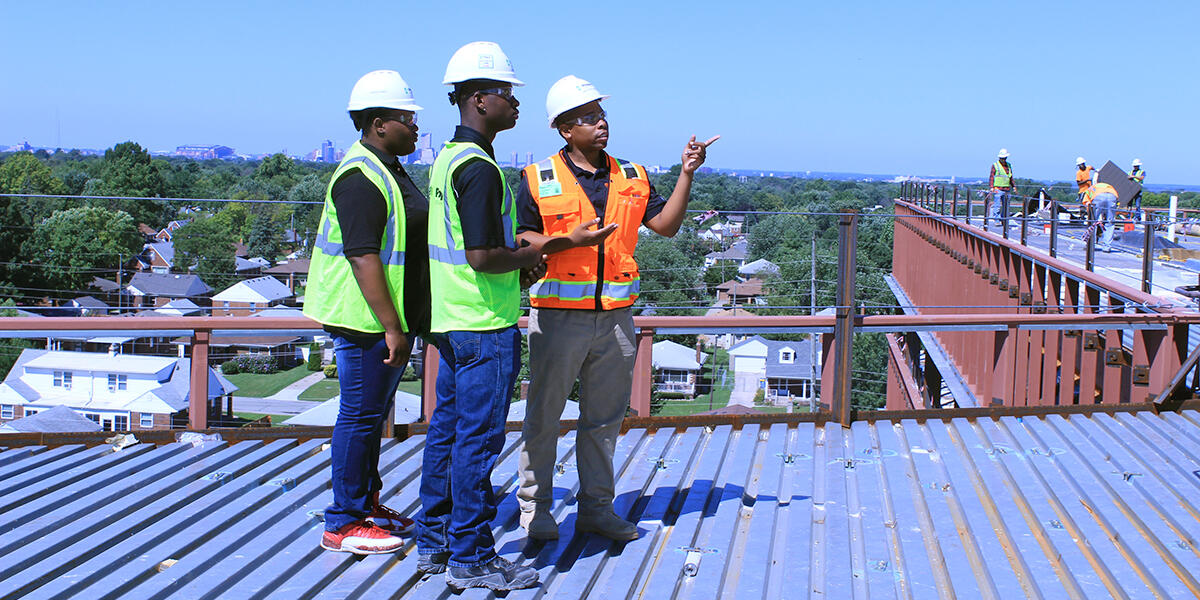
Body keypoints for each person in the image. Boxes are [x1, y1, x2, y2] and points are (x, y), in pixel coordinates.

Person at [513, 75, 717, 542]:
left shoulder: (633, 175)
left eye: (601, 114)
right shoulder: (536, 178)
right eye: (587, 117)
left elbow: (664, 226)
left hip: (617, 318)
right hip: (558, 319)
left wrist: (687, 172)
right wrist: (568, 240)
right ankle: (535, 509)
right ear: (564, 129)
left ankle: (596, 510)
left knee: (604, 421)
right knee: (543, 416)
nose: (600, 123)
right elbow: (523, 239)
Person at [415, 41, 543, 592]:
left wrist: (512, 255)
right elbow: (483, 256)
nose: (514, 103)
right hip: (483, 325)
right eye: (506, 93)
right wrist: (536, 254)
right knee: (478, 440)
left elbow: (472, 245)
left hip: (451, 320)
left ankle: (435, 541)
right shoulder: (482, 169)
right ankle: (472, 555)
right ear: (477, 99)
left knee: (446, 433)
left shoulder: (448, 159)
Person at [305, 70, 428, 555]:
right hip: (366, 322)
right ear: (379, 123)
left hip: (382, 320)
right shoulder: (360, 176)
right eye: (407, 117)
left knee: (370, 415)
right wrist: (392, 327)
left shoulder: (388, 166)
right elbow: (363, 255)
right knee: (359, 417)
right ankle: (344, 521)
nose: (416, 126)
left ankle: (365, 505)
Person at [1084, 181, 1119, 252]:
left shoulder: (1089, 189)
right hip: (1112, 196)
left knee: (1092, 222)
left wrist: (1090, 216)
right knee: (1110, 222)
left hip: (1098, 196)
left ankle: (1091, 245)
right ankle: (1107, 247)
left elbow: (1087, 204)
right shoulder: (1108, 186)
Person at [988, 149, 1014, 229]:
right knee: (997, 205)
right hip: (998, 188)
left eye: (1005, 158)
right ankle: (997, 220)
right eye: (1002, 158)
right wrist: (991, 187)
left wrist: (1014, 186)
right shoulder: (995, 165)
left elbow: (1010, 177)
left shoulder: (1009, 165)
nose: (1003, 160)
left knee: (1006, 205)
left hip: (1006, 188)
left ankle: (1003, 219)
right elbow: (992, 177)